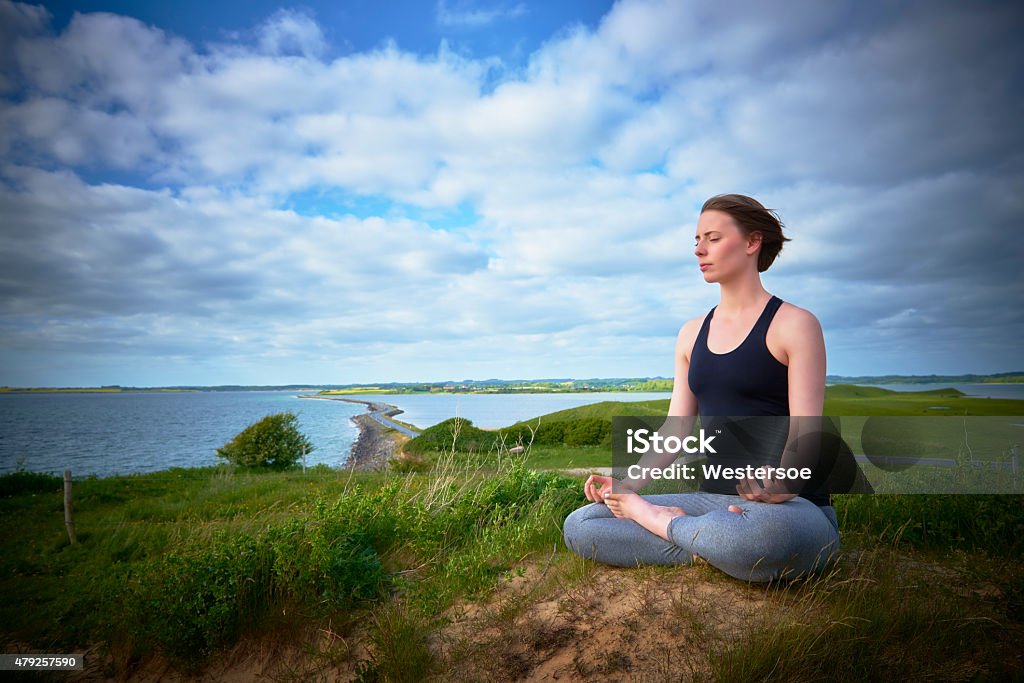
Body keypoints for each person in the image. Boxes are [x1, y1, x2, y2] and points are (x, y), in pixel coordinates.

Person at [562, 194, 840, 582]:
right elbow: (676, 429)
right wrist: (626, 486)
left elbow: (807, 431)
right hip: (711, 505)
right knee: (583, 524)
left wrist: (783, 482)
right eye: (696, 240)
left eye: (712, 238)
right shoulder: (691, 333)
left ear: (751, 242)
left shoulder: (794, 324)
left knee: (766, 538)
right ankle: (709, 546)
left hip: (790, 508)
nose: (699, 250)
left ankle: (674, 528)